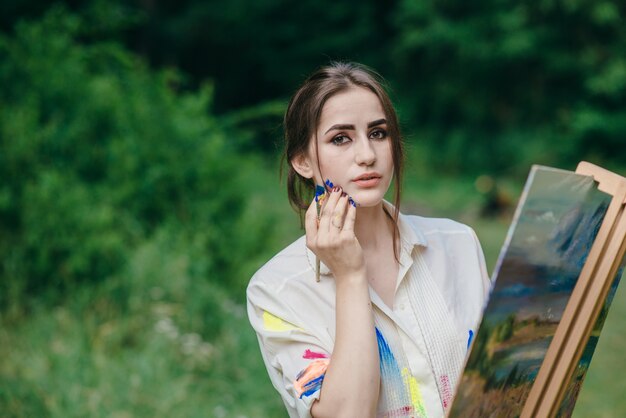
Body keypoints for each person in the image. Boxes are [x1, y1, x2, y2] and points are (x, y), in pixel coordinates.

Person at [247, 62, 490, 418]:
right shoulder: (276, 290)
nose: (367, 155)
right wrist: (350, 276)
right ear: (302, 161)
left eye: (378, 133)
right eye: (340, 139)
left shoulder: (458, 243)